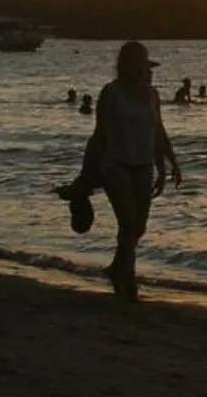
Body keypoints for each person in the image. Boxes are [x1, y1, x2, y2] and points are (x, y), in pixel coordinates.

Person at [54, 40, 182, 301]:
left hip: (143, 165)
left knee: (139, 227)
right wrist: (87, 174)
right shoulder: (111, 92)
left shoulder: (152, 95)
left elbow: (158, 132)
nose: (147, 71)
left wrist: (169, 164)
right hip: (116, 165)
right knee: (128, 222)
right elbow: (99, 135)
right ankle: (128, 275)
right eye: (142, 63)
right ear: (128, 65)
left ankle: (116, 267)